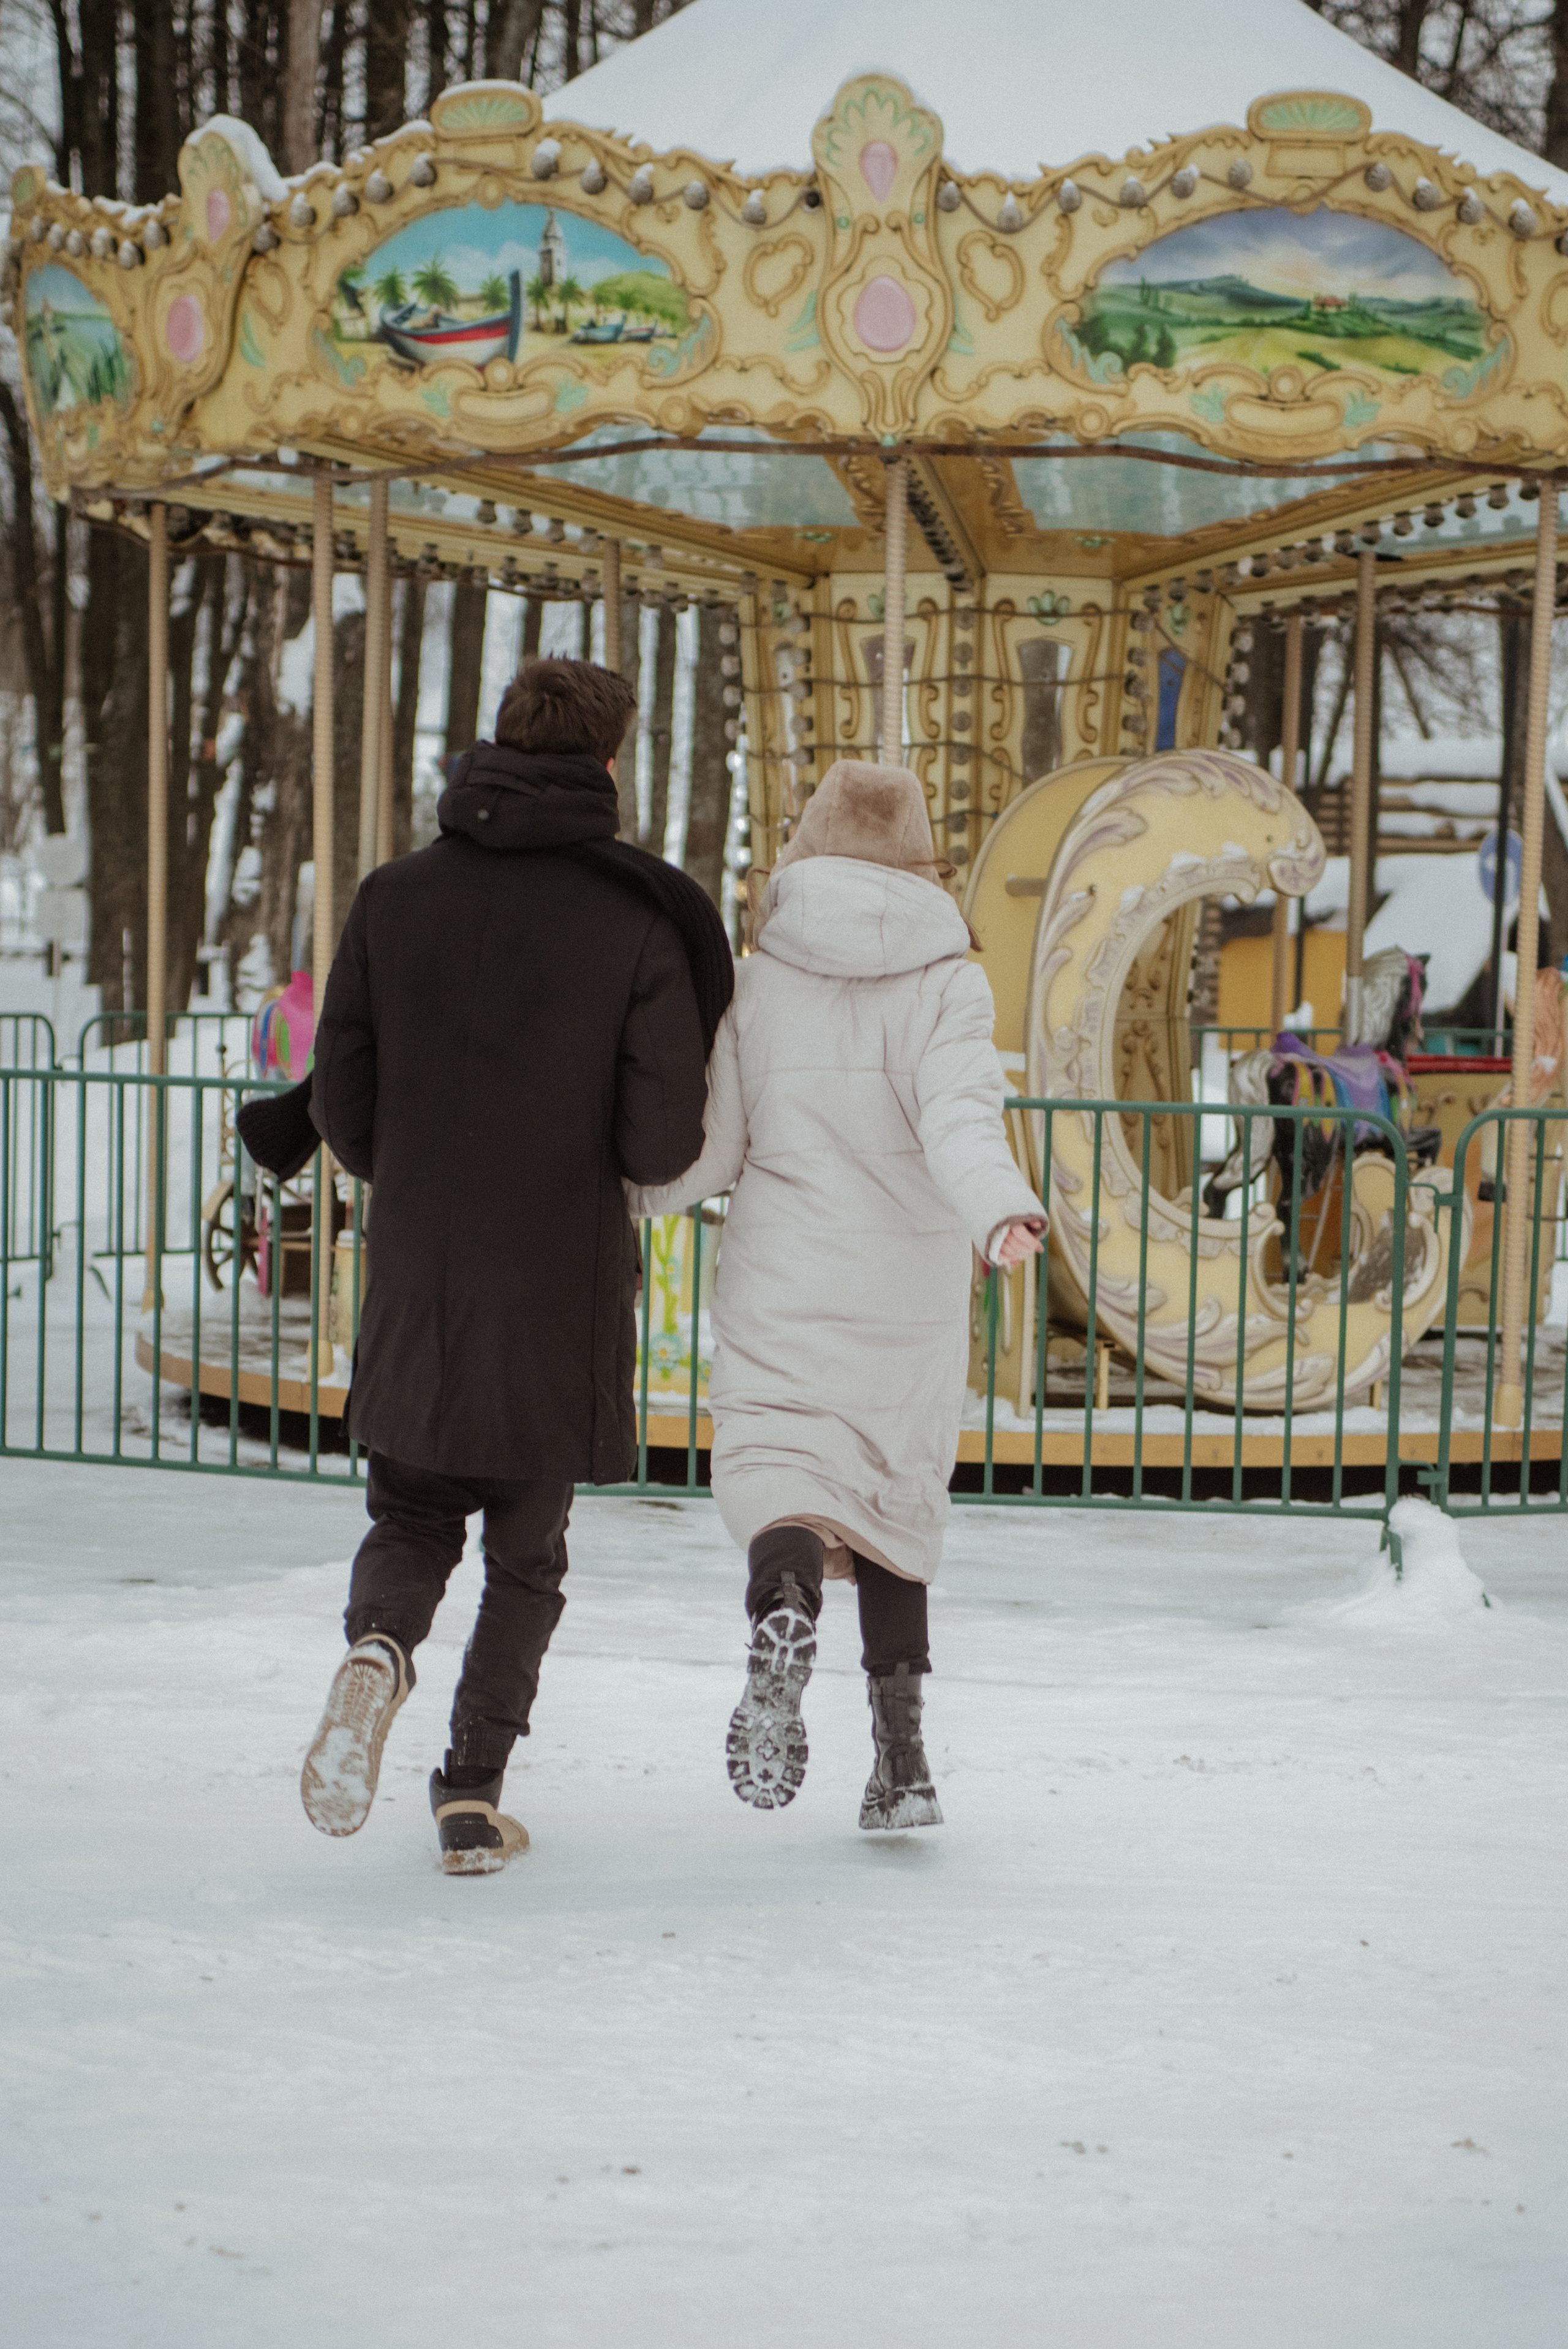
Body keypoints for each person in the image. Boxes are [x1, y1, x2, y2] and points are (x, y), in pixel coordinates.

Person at [294, 657, 731, 1874]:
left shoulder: (394, 897)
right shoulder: (639, 919)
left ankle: (376, 1652)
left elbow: (340, 1099)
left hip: (420, 1266)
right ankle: (471, 1795)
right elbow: (660, 1137)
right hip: (556, 1279)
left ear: (497, 742)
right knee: (524, 1556)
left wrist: (424, 1176)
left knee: (413, 1510)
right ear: (606, 762)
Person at [628, 759, 1045, 1832]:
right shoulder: (952, 982)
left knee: (781, 1479)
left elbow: (712, 1148)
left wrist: (621, 1196)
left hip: (783, 1281)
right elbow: (963, 1118)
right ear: (923, 862)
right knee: (895, 1504)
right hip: (903, 1295)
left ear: (805, 848)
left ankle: (783, 1601)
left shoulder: (760, 981)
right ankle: (902, 1767)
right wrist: (1000, 1208)